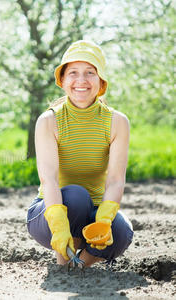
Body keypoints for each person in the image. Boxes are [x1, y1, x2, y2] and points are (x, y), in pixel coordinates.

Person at [26, 40, 133, 267]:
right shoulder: (49, 120)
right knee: (76, 196)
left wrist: (103, 221)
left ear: (101, 81)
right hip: (48, 212)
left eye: (90, 73)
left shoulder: (117, 122)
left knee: (122, 231)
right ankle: (62, 264)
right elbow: (49, 179)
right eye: (73, 72)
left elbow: (115, 180)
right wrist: (58, 225)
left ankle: (79, 267)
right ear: (62, 80)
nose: (81, 80)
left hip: (93, 212)